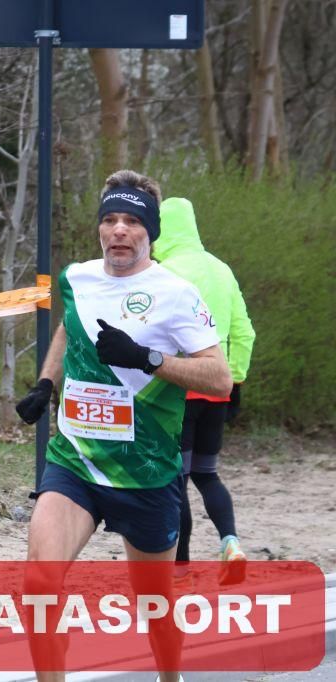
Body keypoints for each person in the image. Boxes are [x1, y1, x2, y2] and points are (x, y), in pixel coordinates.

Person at [15, 170, 232, 682]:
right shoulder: (77, 278)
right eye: (110, 219)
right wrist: (45, 383)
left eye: (132, 221)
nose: (118, 230)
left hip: (145, 472)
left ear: (149, 232)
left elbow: (220, 378)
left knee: (155, 606)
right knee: (40, 586)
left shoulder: (176, 293)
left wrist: (147, 358)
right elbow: (69, 329)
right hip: (75, 461)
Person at [154, 197, 255, 586]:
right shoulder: (221, 269)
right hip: (217, 388)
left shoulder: (164, 272)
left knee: (176, 479)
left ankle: (179, 566)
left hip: (177, 391)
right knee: (207, 474)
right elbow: (244, 332)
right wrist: (236, 380)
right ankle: (231, 543)